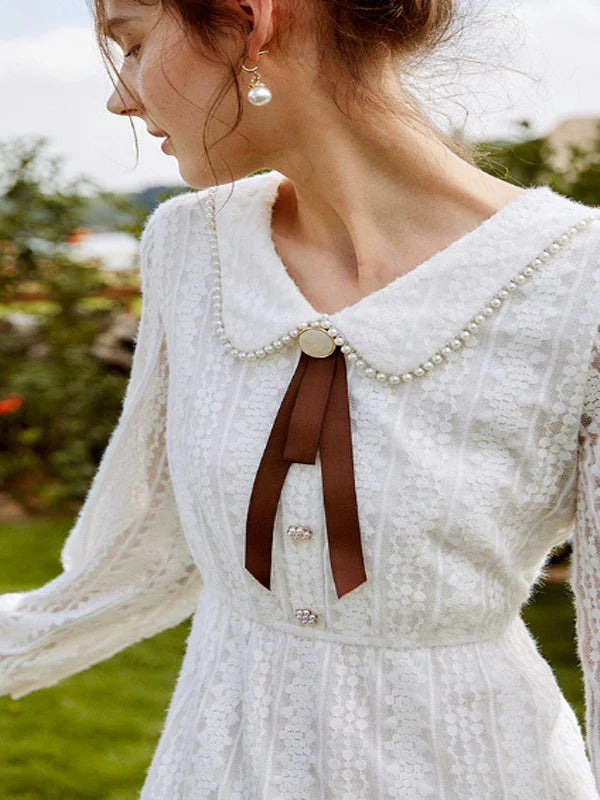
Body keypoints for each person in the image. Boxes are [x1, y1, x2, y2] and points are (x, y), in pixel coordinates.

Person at [2, 0, 600, 797]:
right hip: (213, 768)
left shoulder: (577, 287)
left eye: (134, 44)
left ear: (249, 21)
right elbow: (143, 548)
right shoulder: (190, 248)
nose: (123, 95)